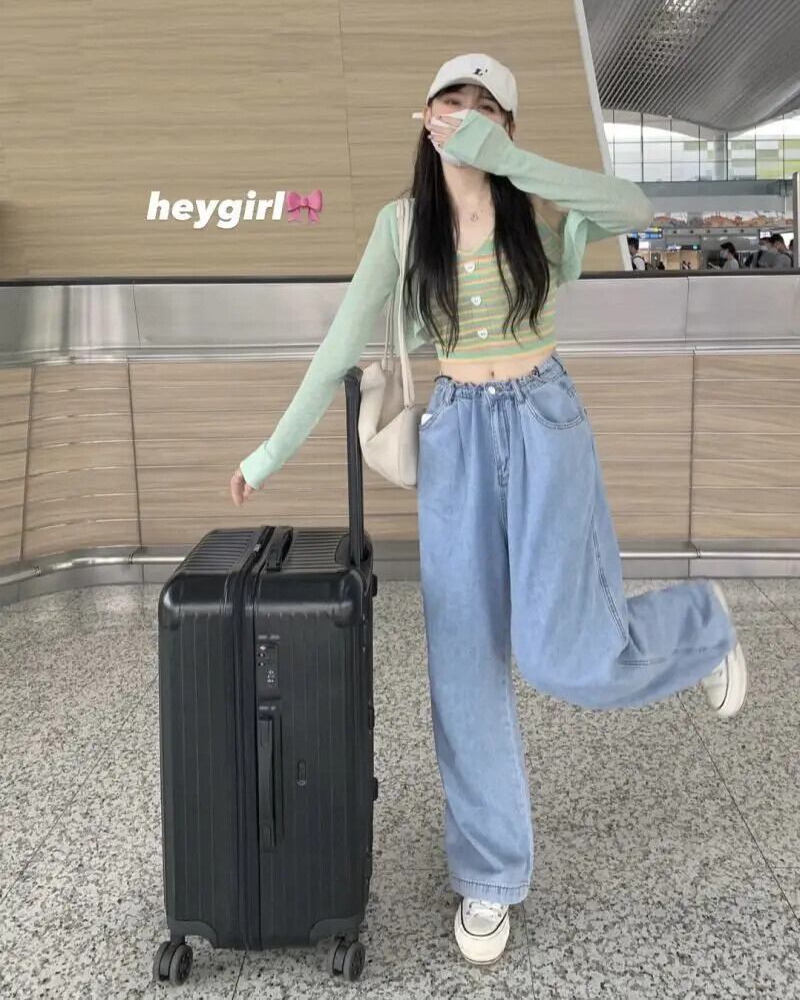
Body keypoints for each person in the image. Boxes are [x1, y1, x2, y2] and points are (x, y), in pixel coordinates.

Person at [229, 53, 747, 968]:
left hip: (545, 426)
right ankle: (490, 875)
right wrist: (268, 453)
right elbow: (339, 347)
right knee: (464, 671)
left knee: (561, 654)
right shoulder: (402, 228)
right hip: (458, 437)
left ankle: (699, 627)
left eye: (483, 108)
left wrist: (506, 160)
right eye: (448, 102)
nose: (462, 117)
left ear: (504, 126)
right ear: (424, 118)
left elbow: (635, 208)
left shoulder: (538, 209)